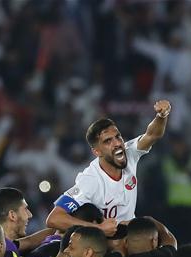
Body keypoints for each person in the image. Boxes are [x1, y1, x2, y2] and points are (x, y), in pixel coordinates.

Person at [46, 100, 172, 235]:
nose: (117, 143)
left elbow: (153, 134)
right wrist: (98, 229)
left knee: (155, 227)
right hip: (106, 244)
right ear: (97, 152)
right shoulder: (90, 181)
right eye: (108, 141)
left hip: (128, 234)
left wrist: (161, 116)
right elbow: (54, 218)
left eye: (118, 137)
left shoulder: (129, 153)